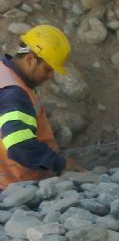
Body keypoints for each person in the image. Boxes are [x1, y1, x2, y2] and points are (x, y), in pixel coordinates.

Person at [0, 25, 83, 190]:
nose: (51, 76)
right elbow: (19, 145)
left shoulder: (4, 72)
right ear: (30, 59)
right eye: (48, 69)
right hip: (16, 187)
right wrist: (60, 163)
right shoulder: (14, 93)